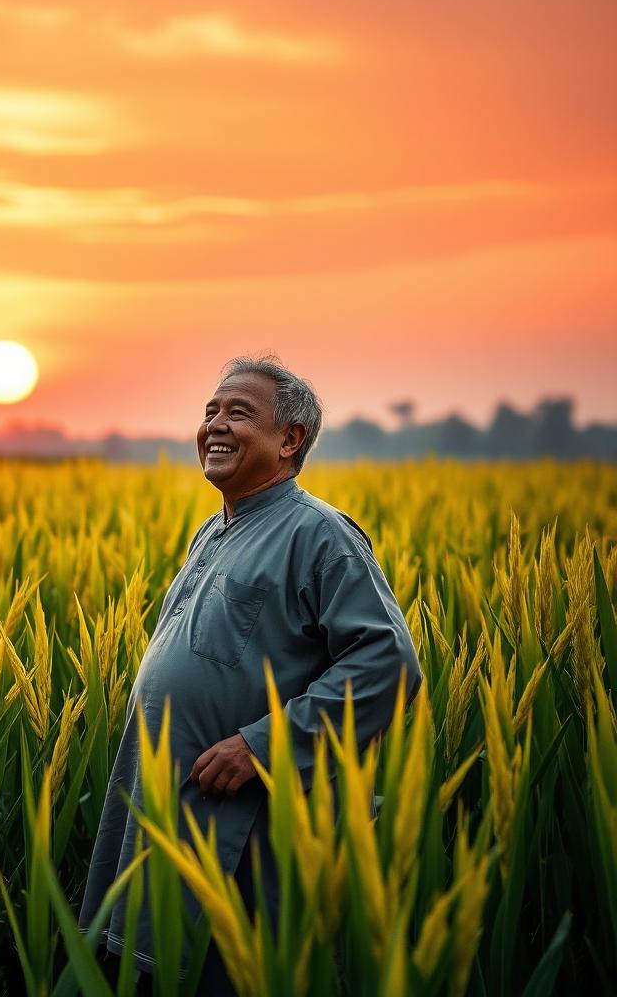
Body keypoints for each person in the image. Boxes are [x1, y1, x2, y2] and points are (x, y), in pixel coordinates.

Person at [78, 355, 424, 994]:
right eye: (210, 411)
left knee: (226, 969)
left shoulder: (319, 534)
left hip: (242, 823)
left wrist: (262, 746)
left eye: (239, 413)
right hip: (168, 805)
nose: (215, 425)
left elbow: (388, 665)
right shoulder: (213, 532)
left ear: (290, 440)